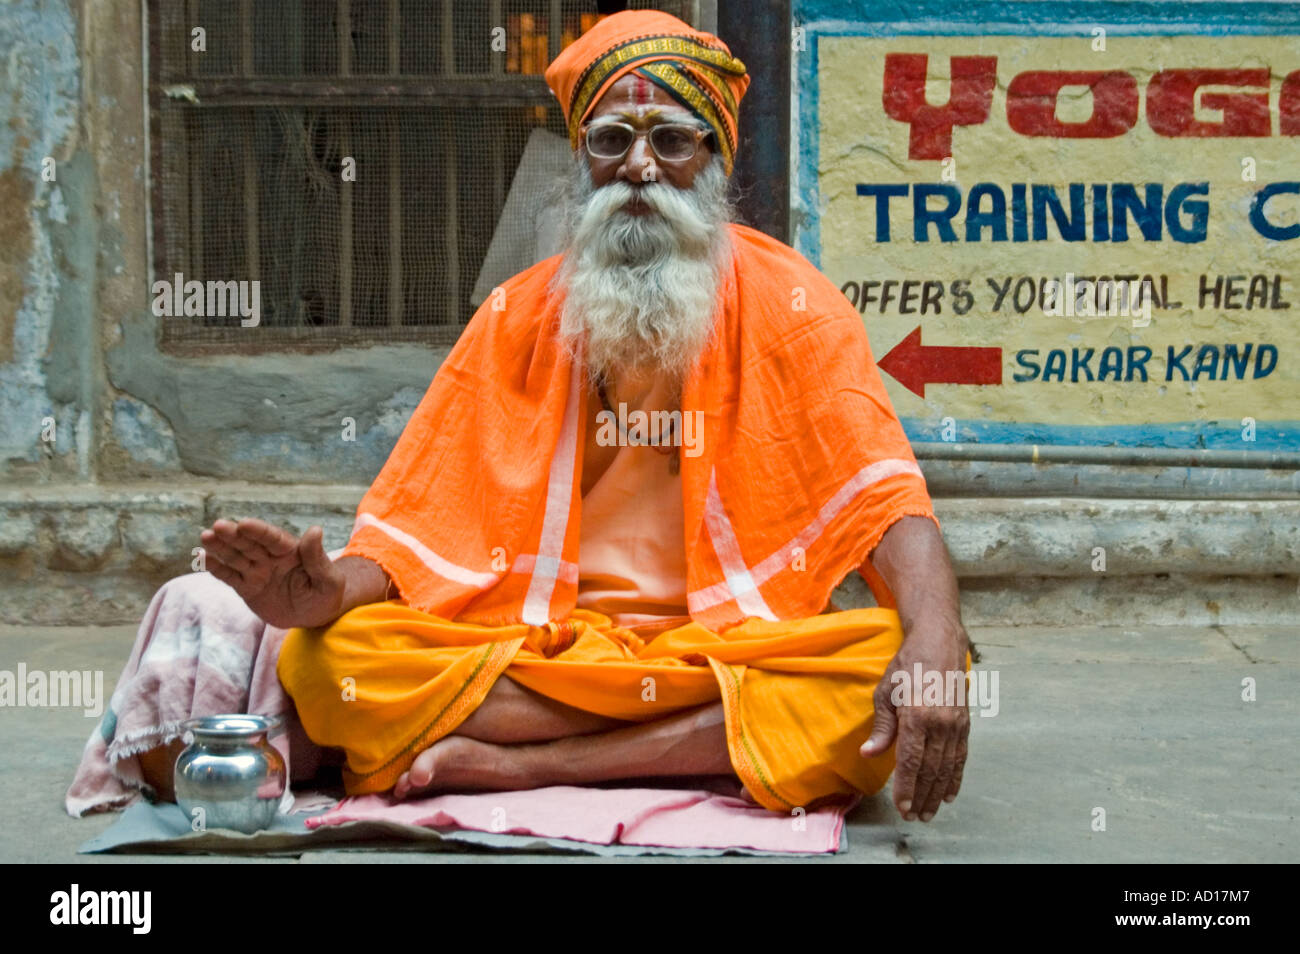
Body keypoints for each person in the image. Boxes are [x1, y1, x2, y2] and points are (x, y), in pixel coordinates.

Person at [145, 10, 971, 822]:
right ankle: (695, 748)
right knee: (331, 666)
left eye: (671, 141)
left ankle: (520, 766)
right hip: (547, 649)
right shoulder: (514, 317)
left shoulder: (796, 307)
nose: (640, 167)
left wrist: (933, 640)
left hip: (717, 646)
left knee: (891, 669)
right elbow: (410, 536)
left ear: (713, 162)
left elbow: (888, 505)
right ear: (581, 160)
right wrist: (324, 595)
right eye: (613, 140)